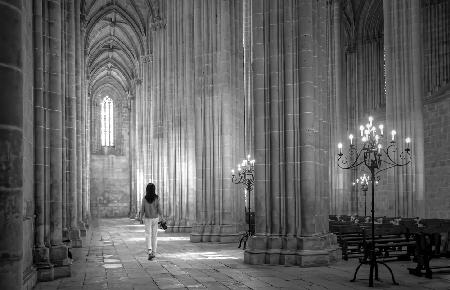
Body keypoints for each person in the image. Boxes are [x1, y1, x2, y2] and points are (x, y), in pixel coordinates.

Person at [140, 183, 162, 260]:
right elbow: (159, 208)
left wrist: (140, 218)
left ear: (147, 190)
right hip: (155, 218)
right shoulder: (157, 198)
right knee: (154, 236)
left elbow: (142, 209)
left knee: (148, 235)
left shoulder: (144, 198)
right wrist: (162, 217)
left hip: (147, 218)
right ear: (154, 189)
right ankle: (154, 252)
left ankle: (149, 251)